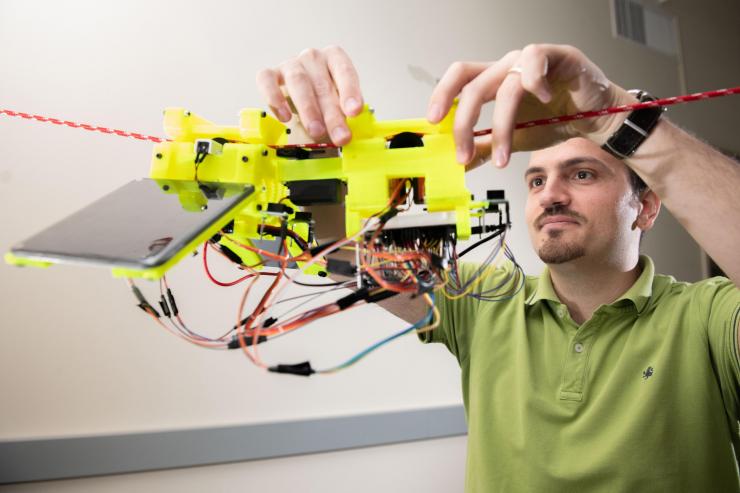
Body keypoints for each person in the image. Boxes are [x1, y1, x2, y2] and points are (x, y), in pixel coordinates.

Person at [257, 44, 740, 492]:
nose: (550, 195)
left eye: (582, 173)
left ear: (646, 207)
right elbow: (336, 249)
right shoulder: (484, 303)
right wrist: (306, 148)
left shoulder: (708, 317)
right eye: (535, 180)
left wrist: (620, 117)